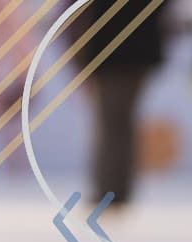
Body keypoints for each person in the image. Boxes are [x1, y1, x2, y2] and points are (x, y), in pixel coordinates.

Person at [65, 0, 172, 209]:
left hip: (112, 52)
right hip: (136, 49)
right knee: (118, 122)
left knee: (113, 123)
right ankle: (115, 191)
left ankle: (111, 192)